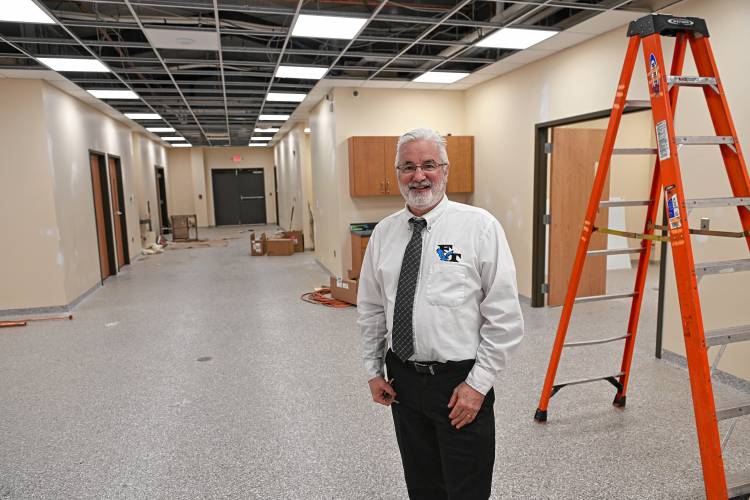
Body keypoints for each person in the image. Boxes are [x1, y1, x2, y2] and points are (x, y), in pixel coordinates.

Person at [357, 128, 524, 499]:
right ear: (397, 172)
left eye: (428, 165)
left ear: (445, 170)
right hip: (402, 381)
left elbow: (505, 318)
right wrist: (373, 370)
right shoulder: (384, 233)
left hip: (459, 385)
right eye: (408, 167)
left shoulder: (479, 227)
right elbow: (370, 309)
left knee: (466, 489)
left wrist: (478, 385)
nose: (419, 176)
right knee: (422, 486)